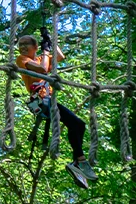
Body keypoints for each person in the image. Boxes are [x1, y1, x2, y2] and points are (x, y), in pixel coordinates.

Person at [16, 33, 98, 189]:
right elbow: (41, 70)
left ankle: (76, 162)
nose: (22, 47)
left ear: (35, 47)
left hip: (49, 100)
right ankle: (80, 161)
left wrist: (50, 42)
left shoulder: (41, 58)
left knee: (79, 125)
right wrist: (46, 52)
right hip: (41, 101)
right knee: (76, 123)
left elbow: (60, 56)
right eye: (20, 45)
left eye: (26, 44)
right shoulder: (22, 60)